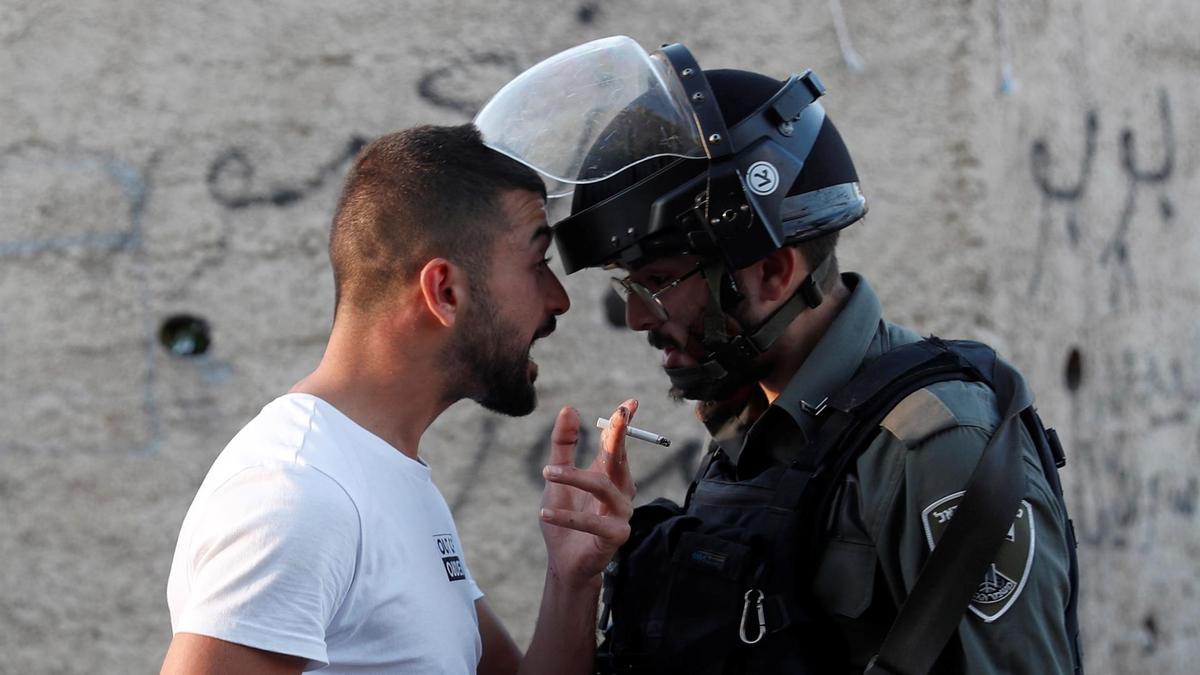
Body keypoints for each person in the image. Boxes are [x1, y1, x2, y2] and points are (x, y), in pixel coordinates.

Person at [474, 36, 1082, 674]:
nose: (636, 317)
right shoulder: (758, 427)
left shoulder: (934, 450)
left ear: (771, 271)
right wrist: (579, 583)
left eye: (656, 282)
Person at [161, 124, 639, 675]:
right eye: (538, 264)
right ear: (445, 292)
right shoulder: (298, 496)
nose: (559, 301)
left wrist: (572, 578)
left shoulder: (381, 474)